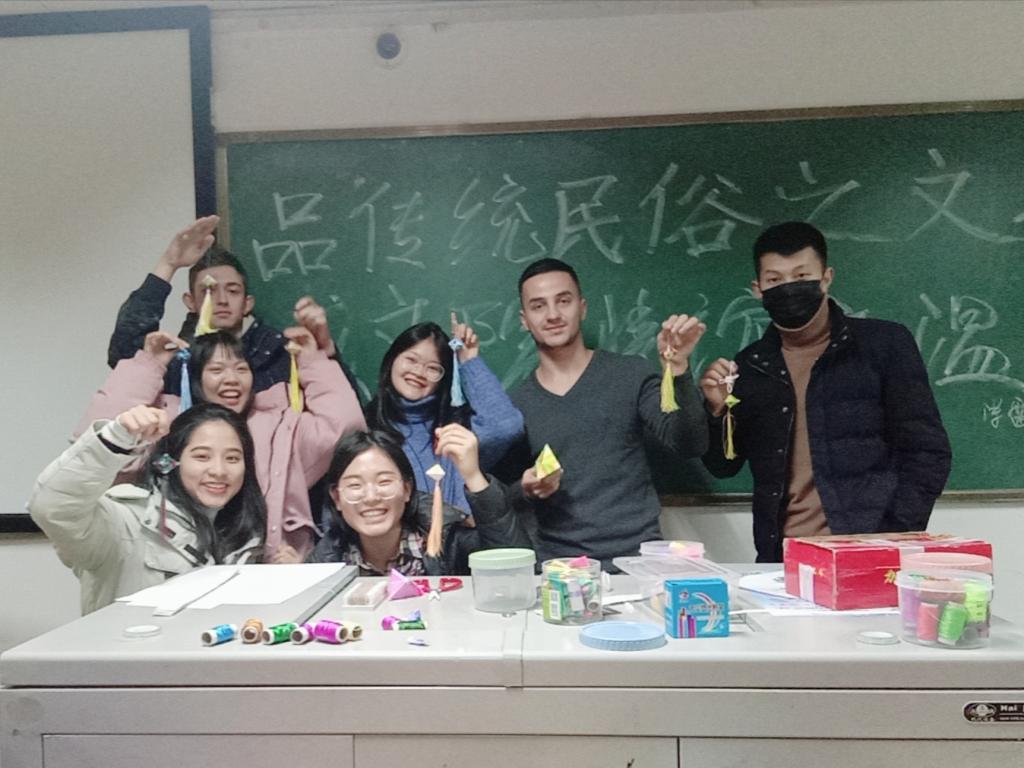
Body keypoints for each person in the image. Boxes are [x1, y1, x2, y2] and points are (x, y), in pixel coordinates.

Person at [700, 221, 952, 562]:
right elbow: (723, 466)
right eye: (775, 280)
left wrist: (893, 535)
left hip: (869, 552)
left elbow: (928, 452)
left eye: (802, 276)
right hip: (781, 559)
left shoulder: (884, 345)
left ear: (826, 277)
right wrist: (717, 412)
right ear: (757, 288)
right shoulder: (751, 365)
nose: (789, 288)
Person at [78, 327, 366, 562]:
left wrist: (313, 362)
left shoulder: (281, 427)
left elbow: (346, 428)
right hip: (174, 568)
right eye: (216, 369)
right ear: (196, 379)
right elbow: (98, 441)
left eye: (241, 369)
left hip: (267, 573)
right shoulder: (169, 424)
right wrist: (148, 365)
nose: (231, 379)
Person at [501, 258, 708, 568]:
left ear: (582, 308)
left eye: (564, 301)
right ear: (524, 319)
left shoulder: (631, 374)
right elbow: (503, 495)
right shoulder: (516, 405)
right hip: (560, 570)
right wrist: (526, 489)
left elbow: (690, 444)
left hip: (637, 563)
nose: (553, 314)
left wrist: (678, 370)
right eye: (538, 306)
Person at [29, 404, 266, 614]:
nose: (219, 471)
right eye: (202, 456)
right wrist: (114, 438)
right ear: (171, 462)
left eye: (232, 458)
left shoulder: (245, 535)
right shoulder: (128, 523)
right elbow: (53, 508)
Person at [107, 215, 360, 399]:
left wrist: (326, 350)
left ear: (247, 303)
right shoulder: (178, 358)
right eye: (208, 290)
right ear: (190, 302)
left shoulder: (281, 353)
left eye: (233, 290)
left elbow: (343, 405)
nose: (222, 299)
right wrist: (168, 264)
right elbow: (123, 354)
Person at [308, 424, 531, 575]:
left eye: (384, 482)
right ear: (337, 498)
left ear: (407, 489)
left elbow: (515, 570)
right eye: (355, 485)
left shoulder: (446, 542)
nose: (371, 497)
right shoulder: (327, 559)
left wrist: (473, 476)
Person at [364, 316, 523, 519]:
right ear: (392, 361)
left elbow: (506, 425)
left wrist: (469, 361)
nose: (419, 372)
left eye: (433, 368)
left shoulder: (456, 431)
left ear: (443, 379)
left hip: (465, 538)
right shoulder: (366, 430)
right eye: (411, 360)